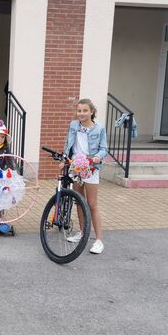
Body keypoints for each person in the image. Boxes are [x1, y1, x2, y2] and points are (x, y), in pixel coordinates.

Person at [62, 98, 108, 254]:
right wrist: (64, 159)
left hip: (91, 167)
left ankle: (99, 240)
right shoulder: (74, 126)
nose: (81, 113)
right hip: (76, 167)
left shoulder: (99, 129)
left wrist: (97, 157)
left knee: (92, 204)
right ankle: (82, 233)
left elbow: (104, 149)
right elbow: (68, 144)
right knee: (79, 202)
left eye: (85, 110)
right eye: (79, 110)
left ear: (92, 112)